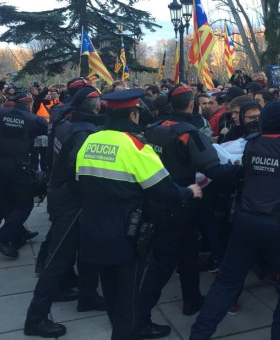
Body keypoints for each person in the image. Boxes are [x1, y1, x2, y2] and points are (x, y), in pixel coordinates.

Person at [190, 100, 280, 340]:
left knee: (226, 283)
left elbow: (246, 171)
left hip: (245, 222)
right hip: (278, 226)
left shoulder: (252, 144)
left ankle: (199, 334)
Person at [75, 88, 202, 340]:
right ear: (133, 115)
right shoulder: (136, 146)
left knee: (111, 295)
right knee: (130, 301)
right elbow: (165, 191)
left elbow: (80, 182)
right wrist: (190, 191)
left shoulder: (90, 141)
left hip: (92, 232)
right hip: (126, 236)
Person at [137, 85, 243, 339]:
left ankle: (192, 299)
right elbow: (214, 169)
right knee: (161, 266)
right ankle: (138, 320)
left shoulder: (153, 129)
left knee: (188, 252)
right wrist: (244, 169)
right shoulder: (188, 133)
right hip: (179, 203)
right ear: (192, 105)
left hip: (159, 200)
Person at [24, 87, 106, 338]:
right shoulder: (84, 133)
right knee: (59, 259)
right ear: (94, 105)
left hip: (63, 193)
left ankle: (88, 296)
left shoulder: (65, 120)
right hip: (71, 199)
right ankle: (35, 318)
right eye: (99, 100)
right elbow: (81, 170)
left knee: (86, 249)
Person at [0, 92, 47, 257]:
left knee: (5, 198)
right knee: (25, 204)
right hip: (18, 167)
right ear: (28, 104)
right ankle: (3, 239)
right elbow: (44, 130)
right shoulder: (32, 119)